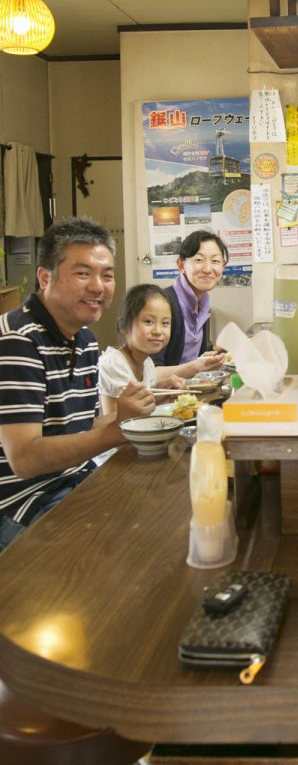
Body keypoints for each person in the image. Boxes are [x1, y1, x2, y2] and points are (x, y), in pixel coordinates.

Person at [0, 217, 155, 549]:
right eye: (83, 273)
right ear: (45, 277)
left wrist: (127, 416)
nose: (98, 286)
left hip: (72, 481)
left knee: (157, 511)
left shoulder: (83, 339)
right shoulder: (16, 340)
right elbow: (25, 459)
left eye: (107, 275)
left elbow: (81, 429)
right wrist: (116, 430)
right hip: (18, 503)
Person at [98, 284, 194, 415]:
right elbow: (113, 422)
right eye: (148, 322)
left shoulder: (147, 363)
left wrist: (162, 395)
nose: (158, 331)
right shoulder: (114, 364)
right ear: (124, 325)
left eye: (165, 323)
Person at [153, 230, 229, 372]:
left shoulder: (203, 303)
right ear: (181, 265)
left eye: (215, 261)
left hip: (187, 389)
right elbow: (150, 373)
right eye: (199, 260)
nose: (208, 269)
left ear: (223, 267)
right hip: (164, 392)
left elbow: (193, 354)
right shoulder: (164, 304)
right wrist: (196, 367)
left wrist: (217, 352)